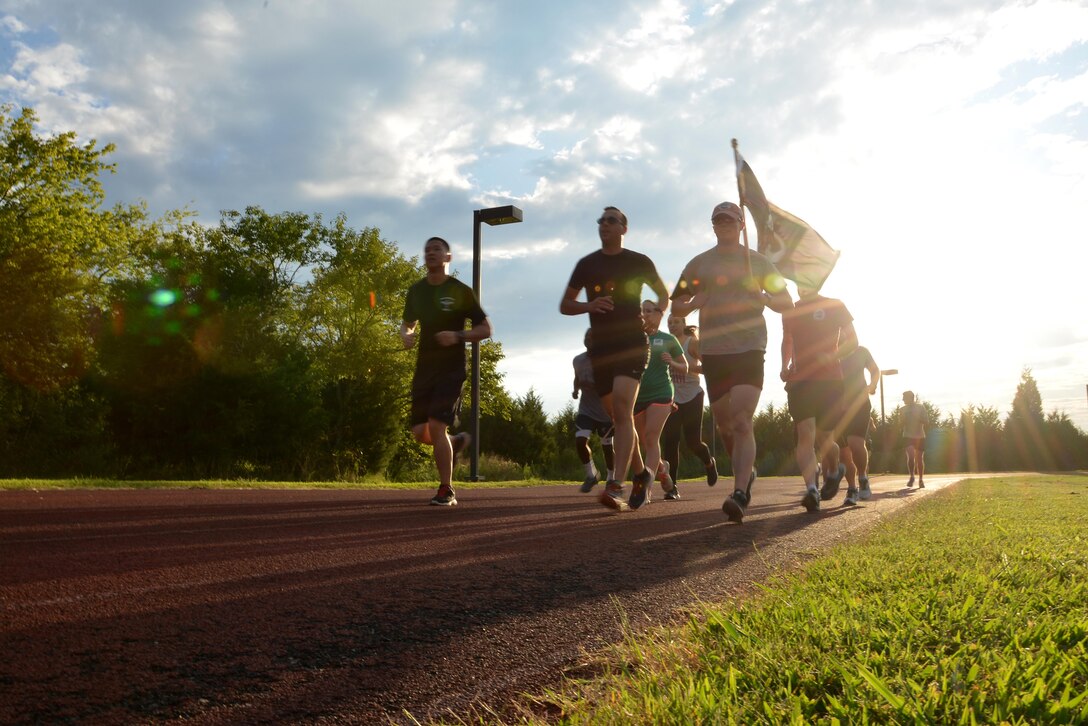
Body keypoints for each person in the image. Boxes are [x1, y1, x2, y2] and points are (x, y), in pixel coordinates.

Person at [671, 201, 793, 523]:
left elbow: (786, 302)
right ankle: (746, 471)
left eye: (729, 219)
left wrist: (764, 297)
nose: (723, 223)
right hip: (714, 352)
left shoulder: (759, 262)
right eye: (717, 219)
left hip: (749, 347)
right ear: (713, 226)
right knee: (726, 426)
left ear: (741, 225)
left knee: (741, 420)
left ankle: (740, 493)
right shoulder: (699, 264)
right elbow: (677, 306)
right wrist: (697, 300)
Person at [560, 206, 670, 512]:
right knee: (619, 418)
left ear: (624, 228)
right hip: (602, 349)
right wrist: (589, 305)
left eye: (611, 220)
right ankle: (642, 474)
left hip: (632, 343)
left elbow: (664, 294)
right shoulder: (587, 264)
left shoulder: (638, 261)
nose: (604, 224)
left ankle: (615, 484)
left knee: (623, 409)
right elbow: (565, 305)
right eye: (601, 220)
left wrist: (658, 314)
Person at [400, 236, 492, 506]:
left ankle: (446, 490)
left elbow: (486, 329)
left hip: (451, 370)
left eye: (437, 249)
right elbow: (407, 324)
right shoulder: (416, 291)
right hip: (424, 368)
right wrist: (406, 334)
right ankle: (455, 442)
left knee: (437, 427)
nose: (430, 252)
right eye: (427, 249)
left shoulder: (460, 291)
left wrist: (457, 335)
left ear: (448, 258)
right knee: (420, 433)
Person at [780, 285, 857, 511]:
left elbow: (852, 341)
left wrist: (832, 355)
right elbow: (787, 340)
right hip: (801, 382)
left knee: (825, 438)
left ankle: (834, 470)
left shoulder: (835, 305)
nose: (802, 285)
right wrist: (784, 366)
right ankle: (812, 490)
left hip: (830, 381)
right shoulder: (791, 310)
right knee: (806, 435)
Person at [631, 300, 686, 507]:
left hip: (662, 393)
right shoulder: (634, 339)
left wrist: (672, 362)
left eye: (648, 311)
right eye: (642, 311)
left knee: (651, 438)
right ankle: (662, 468)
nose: (644, 314)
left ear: (658, 314)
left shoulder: (668, 339)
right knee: (643, 443)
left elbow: (685, 366)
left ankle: (645, 489)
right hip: (638, 395)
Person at [661, 315, 719, 494]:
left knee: (693, 442)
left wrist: (683, 366)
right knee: (670, 441)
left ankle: (709, 462)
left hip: (693, 396)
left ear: (684, 324)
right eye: (669, 322)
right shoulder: (665, 343)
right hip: (673, 399)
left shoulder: (691, 343)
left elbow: (708, 367)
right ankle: (672, 488)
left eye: (676, 322)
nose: (672, 325)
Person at [572, 329, 615, 493]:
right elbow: (577, 377)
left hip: (605, 411)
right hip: (586, 409)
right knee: (580, 441)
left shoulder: (606, 361)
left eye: (592, 337)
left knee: (607, 447)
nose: (589, 340)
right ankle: (591, 475)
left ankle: (611, 477)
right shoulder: (577, 360)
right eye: (586, 337)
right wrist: (575, 390)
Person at [837, 345, 881, 504]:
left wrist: (873, 384)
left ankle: (862, 478)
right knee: (844, 453)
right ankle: (851, 489)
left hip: (859, 403)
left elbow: (875, 370)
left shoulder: (861, 351)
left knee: (855, 444)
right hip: (836, 407)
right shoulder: (828, 351)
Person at [901, 390, 927, 487]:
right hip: (907, 435)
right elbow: (900, 424)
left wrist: (916, 418)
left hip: (920, 436)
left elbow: (926, 421)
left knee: (919, 458)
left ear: (910, 397)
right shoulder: (902, 409)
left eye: (904, 397)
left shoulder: (920, 407)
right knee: (911, 457)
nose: (902, 399)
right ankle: (912, 476)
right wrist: (903, 422)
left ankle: (921, 479)